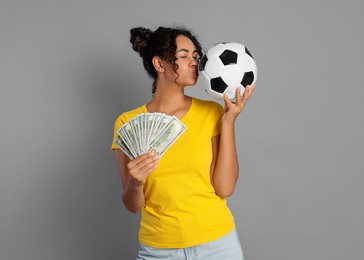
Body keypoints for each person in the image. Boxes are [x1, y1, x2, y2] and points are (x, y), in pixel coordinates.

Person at [111, 26, 255, 260]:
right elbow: (132, 205)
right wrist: (136, 184)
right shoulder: (128, 122)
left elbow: (225, 188)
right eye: (184, 55)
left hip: (217, 245)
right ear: (160, 64)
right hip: (159, 249)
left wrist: (229, 122)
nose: (194, 62)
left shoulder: (212, 112)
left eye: (196, 56)